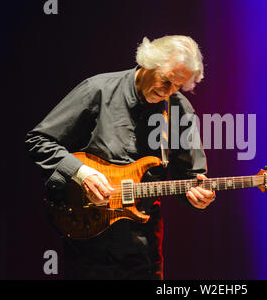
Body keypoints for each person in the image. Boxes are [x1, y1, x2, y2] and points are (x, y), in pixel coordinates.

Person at [25, 35, 216, 280]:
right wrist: (82, 173)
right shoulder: (98, 90)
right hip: (87, 236)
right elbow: (39, 140)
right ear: (149, 63)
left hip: (142, 244)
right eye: (166, 81)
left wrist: (197, 197)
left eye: (178, 87)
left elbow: (188, 178)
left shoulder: (180, 110)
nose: (168, 92)